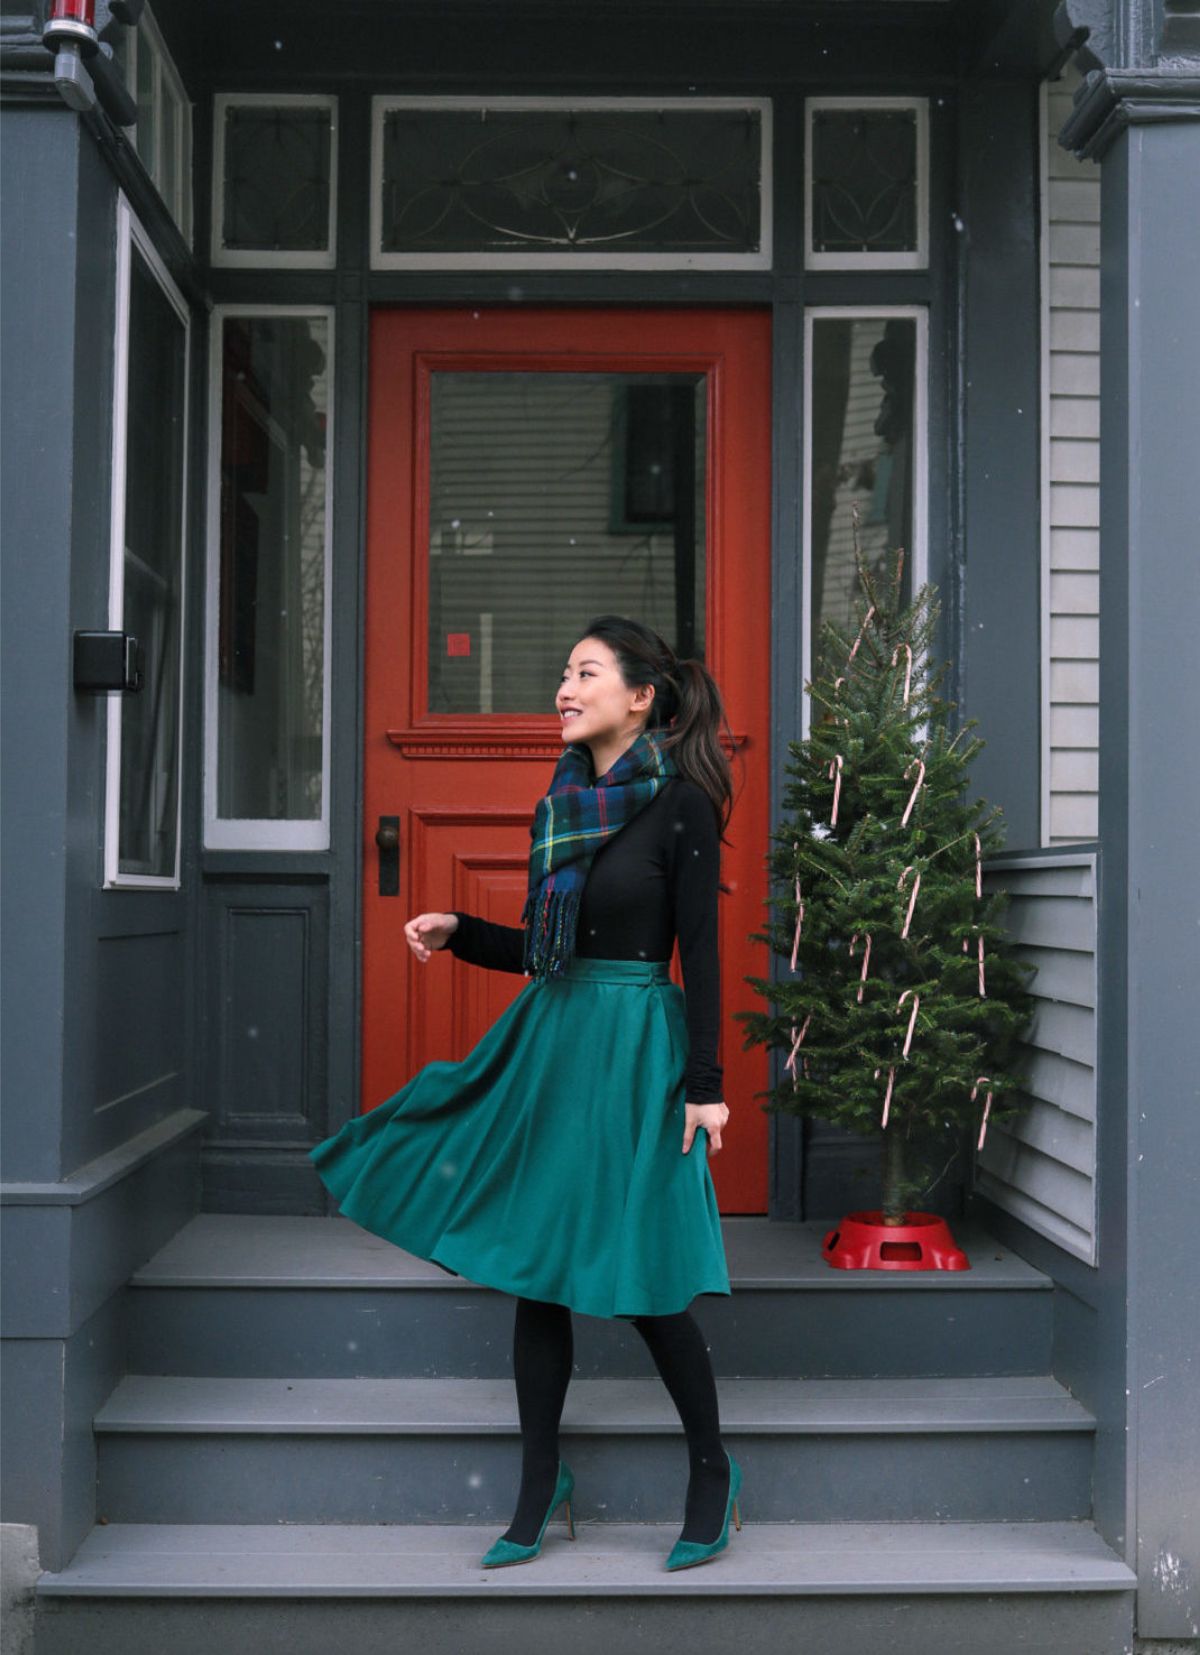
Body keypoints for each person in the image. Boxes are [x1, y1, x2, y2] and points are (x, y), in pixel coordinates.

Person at [309, 614, 743, 1572]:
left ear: (640, 698)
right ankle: (540, 1478)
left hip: (637, 1049)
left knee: (647, 1276)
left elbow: (701, 958)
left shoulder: (682, 807)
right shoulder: (565, 802)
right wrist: (459, 927)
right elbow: (547, 951)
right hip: (556, 1037)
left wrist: (705, 1089)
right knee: (537, 1268)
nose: (562, 687)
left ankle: (712, 1470)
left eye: (583, 672)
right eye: (563, 670)